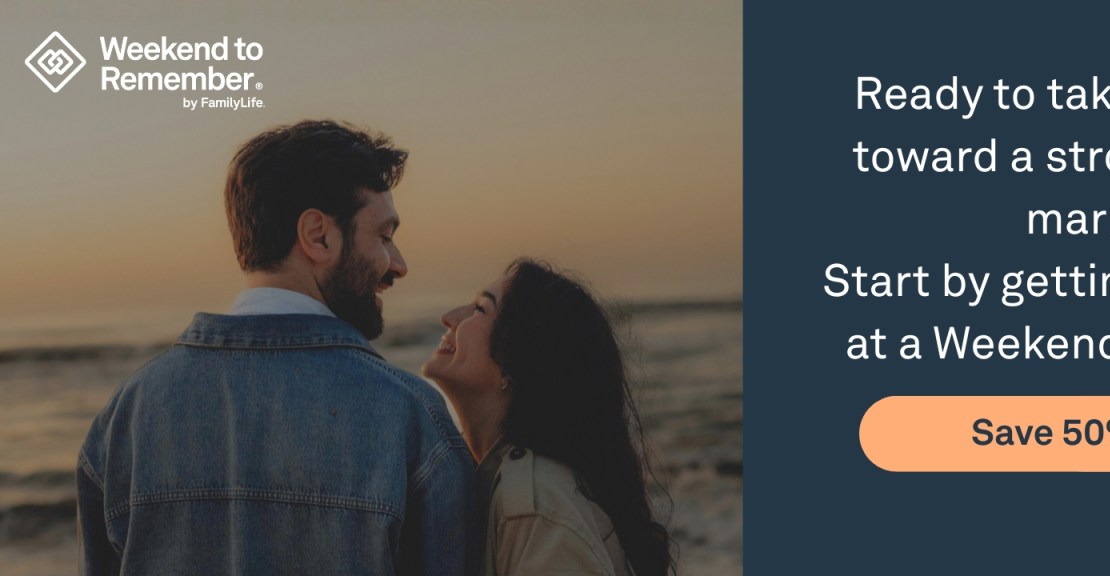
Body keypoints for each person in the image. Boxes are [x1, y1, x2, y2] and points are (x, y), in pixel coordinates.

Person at [76, 120, 477, 575]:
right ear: (318, 236)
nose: (397, 265)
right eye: (383, 236)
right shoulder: (410, 418)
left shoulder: (125, 417)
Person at [423, 259, 675, 576]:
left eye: (480, 310)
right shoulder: (488, 478)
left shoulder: (536, 507)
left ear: (514, 364)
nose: (448, 318)